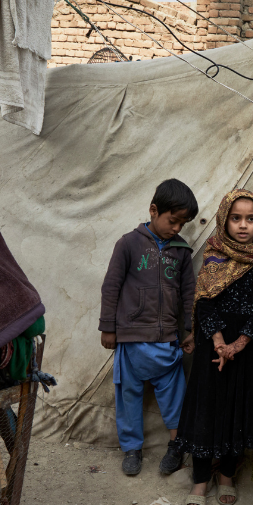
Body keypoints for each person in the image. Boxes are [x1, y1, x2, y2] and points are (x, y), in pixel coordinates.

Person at [177, 190, 253, 505]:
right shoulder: (214, 254)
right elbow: (204, 301)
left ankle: (226, 476)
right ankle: (199, 480)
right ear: (225, 219)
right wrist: (220, 341)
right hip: (211, 346)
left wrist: (237, 345)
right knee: (206, 409)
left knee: (237, 410)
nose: (243, 225)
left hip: (245, 351)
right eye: (236, 218)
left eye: (251, 219)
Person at [99, 179, 198, 476]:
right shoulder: (128, 244)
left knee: (174, 394)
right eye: (173, 220)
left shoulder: (181, 251)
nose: (177, 228)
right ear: (154, 211)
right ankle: (131, 449)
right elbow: (111, 287)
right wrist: (108, 327)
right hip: (130, 338)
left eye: (183, 223)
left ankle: (175, 446)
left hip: (167, 338)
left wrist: (190, 328)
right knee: (128, 395)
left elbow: (188, 293)